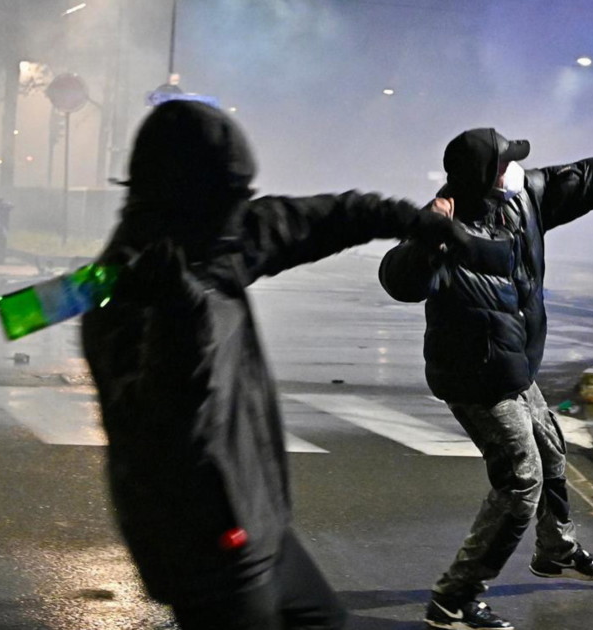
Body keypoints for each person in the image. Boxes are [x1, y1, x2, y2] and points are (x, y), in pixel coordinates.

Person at [81, 100, 467, 630]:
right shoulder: (121, 299)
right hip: (209, 555)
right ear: (192, 194)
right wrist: (179, 318)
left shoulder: (218, 244)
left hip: (263, 527)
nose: (243, 208)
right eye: (230, 195)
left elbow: (320, 218)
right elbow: (163, 428)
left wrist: (412, 221)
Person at [379, 127, 593, 630]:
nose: (518, 167)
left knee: (552, 449)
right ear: (485, 178)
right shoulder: (444, 223)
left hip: (514, 365)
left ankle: (556, 548)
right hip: (475, 376)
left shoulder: (526, 198)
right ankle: (454, 599)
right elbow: (400, 282)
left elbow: (592, 176)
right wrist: (427, 238)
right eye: (505, 162)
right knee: (520, 481)